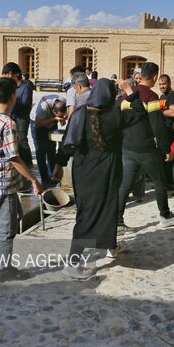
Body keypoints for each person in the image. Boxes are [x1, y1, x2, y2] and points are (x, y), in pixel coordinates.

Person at [53, 78, 145, 280]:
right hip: (106, 173)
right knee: (91, 215)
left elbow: (67, 145)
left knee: (101, 210)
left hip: (84, 173)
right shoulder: (115, 117)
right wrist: (129, 90)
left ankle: (110, 246)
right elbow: (139, 112)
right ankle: (72, 263)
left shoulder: (79, 114)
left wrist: (58, 165)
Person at [0, 78, 42, 282]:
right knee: (7, 227)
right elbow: (13, 157)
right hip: (4, 182)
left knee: (13, 220)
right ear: (13, 96)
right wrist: (33, 180)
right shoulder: (8, 123)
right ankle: (4, 269)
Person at [117, 62, 174, 232]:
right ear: (154, 77)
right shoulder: (151, 96)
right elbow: (157, 126)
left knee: (125, 185)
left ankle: (117, 222)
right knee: (160, 180)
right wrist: (166, 149)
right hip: (146, 148)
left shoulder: (125, 97)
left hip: (127, 147)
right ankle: (165, 215)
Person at [30, 94, 67, 187]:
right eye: (60, 115)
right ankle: (44, 179)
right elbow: (38, 124)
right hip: (37, 123)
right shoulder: (42, 108)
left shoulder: (63, 102)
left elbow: (64, 115)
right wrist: (54, 119)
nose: (61, 116)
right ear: (54, 111)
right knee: (41, 151)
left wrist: (62, 119)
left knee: (51, 150)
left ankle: (53, 175)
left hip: (51, 120)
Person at [10, 63, 34, 168]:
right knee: (14, 139)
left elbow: (25, 103)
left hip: (22, 118)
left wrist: (12, 103)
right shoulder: (13, 86)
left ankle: (28, 163)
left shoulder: (26, 87)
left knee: (22, 139)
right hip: (13, 116)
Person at [159, 74, 174, 189]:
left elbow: (173, 112)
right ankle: (164, 181)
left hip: (169, 130)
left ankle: (170, 182)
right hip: (163, 130)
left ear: (169, 83)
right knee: (162, 157)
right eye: (160, 84)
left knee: (168, 157)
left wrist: (157, 111)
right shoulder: (162, 96)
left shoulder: (173, 96)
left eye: (164, 84)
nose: (162, 86)